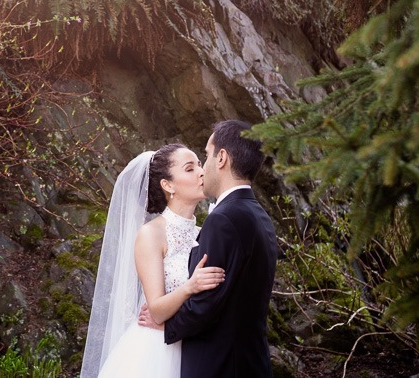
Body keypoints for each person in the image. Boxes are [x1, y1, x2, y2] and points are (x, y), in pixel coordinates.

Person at [141, 120, 278, 377]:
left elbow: (206, 305)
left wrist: (165, 325)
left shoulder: (223, 219)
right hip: (249, 362)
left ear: (222, 158)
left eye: (205, 156)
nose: (202, 169)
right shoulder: (258, 215)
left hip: (220, 365)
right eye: (191, 167)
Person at [80, 143, 225, 378]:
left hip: (195, 346)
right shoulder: (152, 234)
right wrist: (191, 286)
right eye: (190, 169)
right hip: (156, 351)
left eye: (200, 164)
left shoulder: (204, 232)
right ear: (168, 185)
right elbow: (155, 310)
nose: (201, 172)